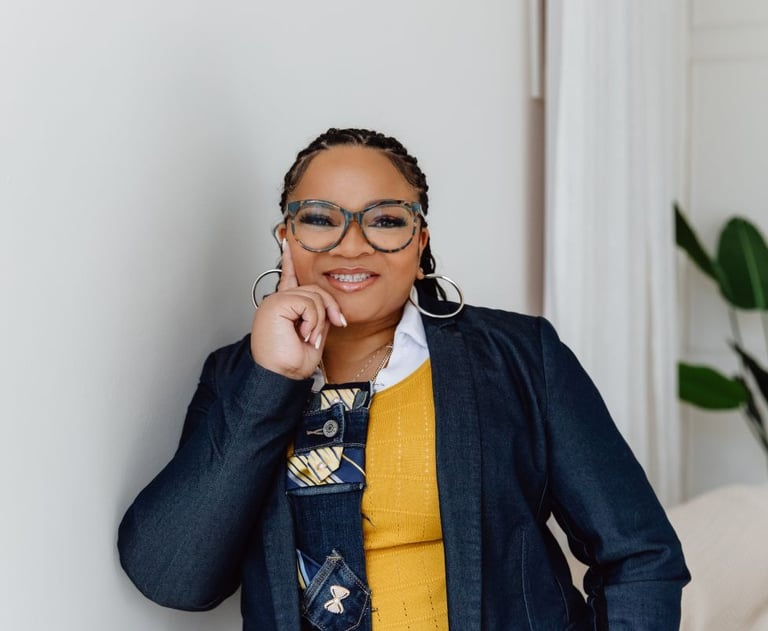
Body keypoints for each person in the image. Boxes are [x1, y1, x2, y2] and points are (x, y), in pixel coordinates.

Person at [118, 128, 690, 630]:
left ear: (420, 243)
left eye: (386, 220)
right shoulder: (238, 376)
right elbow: (173, 577)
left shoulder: (519, 356)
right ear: (286, 238)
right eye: (320, 218)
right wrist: (273, 379)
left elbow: (640, 554)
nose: (352, 244)